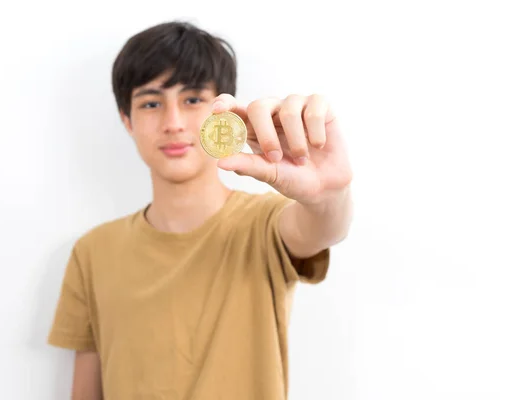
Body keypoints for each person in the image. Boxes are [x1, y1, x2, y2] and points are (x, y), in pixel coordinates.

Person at [47, 20, 353, 399]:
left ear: (222, 115)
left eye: (192, 99)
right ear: (127, 120)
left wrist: (328, 194)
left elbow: (322, 227)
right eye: (151, 103)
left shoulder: (263, 226)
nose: (173, 123)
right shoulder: (92, 253)